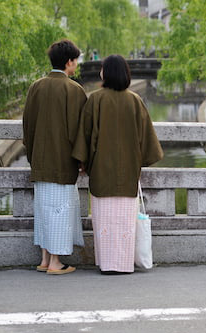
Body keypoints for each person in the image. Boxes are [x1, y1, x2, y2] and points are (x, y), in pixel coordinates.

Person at [73, 55, 164, 274]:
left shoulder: (95, 100)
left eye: (103, 68)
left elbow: (86, 136)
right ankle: (123, 264)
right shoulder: (134, 100)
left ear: (106, 73)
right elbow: (147, 139)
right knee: (124, 222)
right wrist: (136, 160)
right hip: (127, 172)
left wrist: (83, 162)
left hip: (102, 172)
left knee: (104, 221)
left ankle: (106, 263)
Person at [23, 39, 87, 275]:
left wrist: (32, 155)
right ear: (69, 62)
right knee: (60, 210)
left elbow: (27, 126)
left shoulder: (36, 87)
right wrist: (81, 160)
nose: (76, 65)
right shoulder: (74, 90)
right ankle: (56, 262)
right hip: (63, 162)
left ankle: (44, 258)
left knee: (43, 209)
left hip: (40, 160)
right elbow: (81, 131)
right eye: (76, 61)